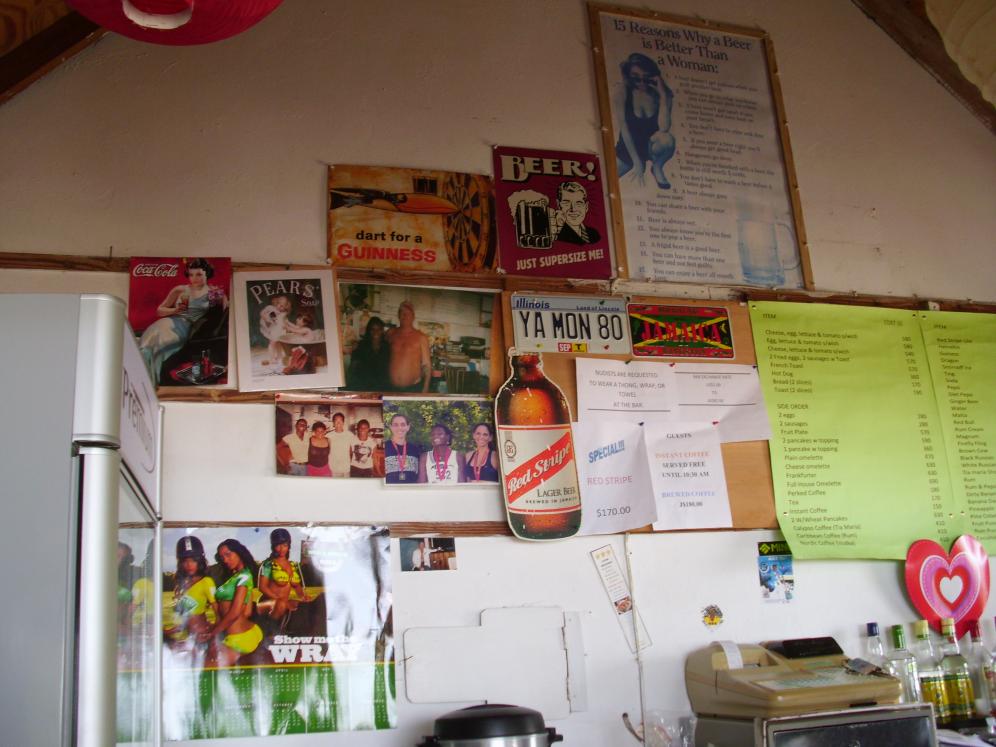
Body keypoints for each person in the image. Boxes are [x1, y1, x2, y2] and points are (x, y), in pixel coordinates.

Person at [138, 257, 228, 384]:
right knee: (147, 343)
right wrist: (175, 310)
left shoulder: (213, 293)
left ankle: (151, 381)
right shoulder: (180, 289)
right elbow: (159, 310)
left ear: (207, 274)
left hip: (187, 328)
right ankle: (140, 379)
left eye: (199, 274)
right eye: (191, 275)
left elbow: (222, 314)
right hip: (169, 321)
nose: (194, 278)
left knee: (159, 347)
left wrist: (220, 298)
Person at [613, 53, 676, 189]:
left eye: (646, 78)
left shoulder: (662, 95)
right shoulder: (622, 91)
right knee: (605, 180)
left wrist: (663, 95)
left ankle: (657, 167)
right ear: (629, 76)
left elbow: (664, 128)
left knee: (668, 139)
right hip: (627, 148)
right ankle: (638, 162)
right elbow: (624, 128)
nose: (641, 83)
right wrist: (636, 162)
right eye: (636, 78)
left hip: (649, 147)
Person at [208, 539, 262, 666]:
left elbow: (235, 612)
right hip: (243, 632)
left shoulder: (244, 577)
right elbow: (247, 612)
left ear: (239, 552)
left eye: (228, 554)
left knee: (208, 667)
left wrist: (214, 633)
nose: (225, 560)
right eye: (222, 557)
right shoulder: (237, 577)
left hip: (239, 638)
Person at [164, 535, 217, 648]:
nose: (189, 565)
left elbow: (219, 614)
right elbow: (187, 617)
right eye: (185, 561)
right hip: (190, 638)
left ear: (200, 561)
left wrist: (212, 635)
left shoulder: (206, 582)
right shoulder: (183, 585)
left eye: (193, 560)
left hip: (202, 638)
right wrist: (170, 630)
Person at [258, 528, 311, 626]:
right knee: (282, 604)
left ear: (288, 546)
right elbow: (262, 587)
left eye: (285, 545)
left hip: (283, 601)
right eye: (278, 545)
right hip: (268, 602)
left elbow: (297, 586)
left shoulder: (293, 565)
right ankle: (270, 630)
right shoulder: (268, 564)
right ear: (273, 546)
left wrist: (303, 596)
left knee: (304, 605)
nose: (281, 549)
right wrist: (279, 600)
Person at [386, 300, 431, 392]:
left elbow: (426, 365)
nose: (405, 315)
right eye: (402, 313)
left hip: (413, 388)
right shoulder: (390, 333)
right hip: (390, 387)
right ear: (398, 316)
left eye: (408, 313)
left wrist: (425, 388)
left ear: (413, 316)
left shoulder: (421, 337)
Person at [347, 316, 391, 391]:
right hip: (364, 387)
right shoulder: (361, 345)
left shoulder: (387, 347)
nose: (376, 332)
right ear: (368, 330)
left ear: (382, 330)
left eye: (379, 329)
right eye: (372, 329)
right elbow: (353, 367)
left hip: (382, 387)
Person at [384, 413, 421, 484]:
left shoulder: (415, 449)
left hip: (411, 489)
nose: (399, 428)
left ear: (408, 427)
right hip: (389, 490)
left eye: (403, 424)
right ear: (391, 427)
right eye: (396, 425)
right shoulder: (383, 448)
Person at [327, 412, 353, 478]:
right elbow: (327, 451)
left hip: (346, 468)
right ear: (333, 423)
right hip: (333, 468)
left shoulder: (350, 435)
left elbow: (351, 451)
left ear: (343, 422)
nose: (338, 423)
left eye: (340, 420)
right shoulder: (328, 436)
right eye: (336, 420)